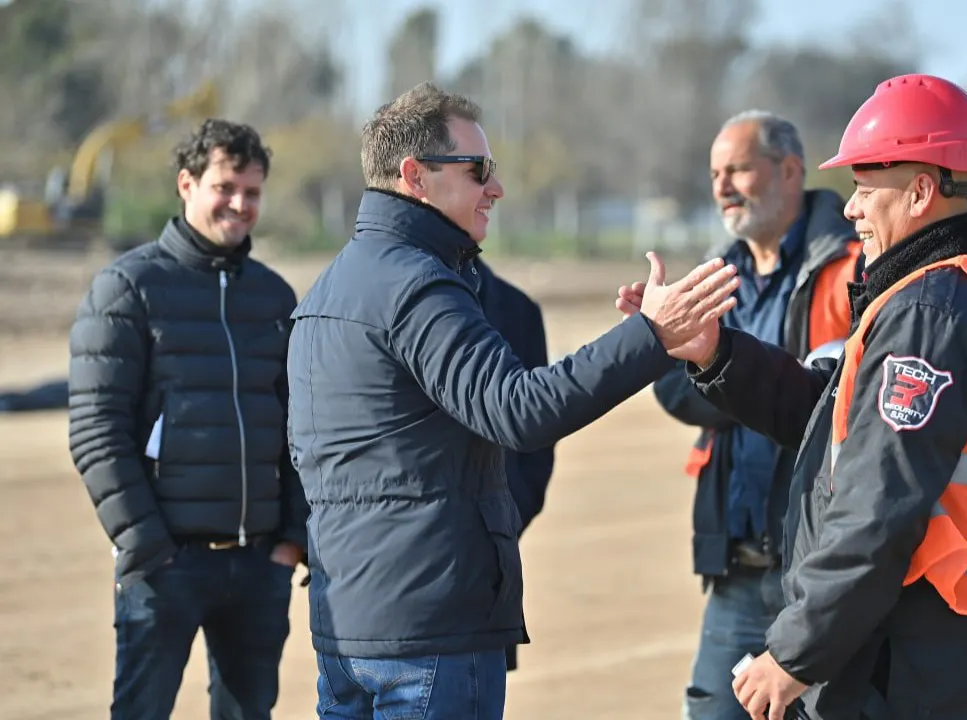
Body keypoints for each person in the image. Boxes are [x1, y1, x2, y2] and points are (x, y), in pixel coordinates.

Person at [285, 81, 741, 720]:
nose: (495, 188)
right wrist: (651, 336)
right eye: (477, 170)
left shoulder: (329, 289)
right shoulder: (417, 286)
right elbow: (519, 409)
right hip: (429, 632)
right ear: (415, 176)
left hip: (347, 630)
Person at [618, 74, 967, 720]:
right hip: (941, 651)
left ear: (921, 191)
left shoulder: (930, 315)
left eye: (866, 188)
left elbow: (878, 507)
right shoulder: (951, 289)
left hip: (918, 659)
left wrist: (794, 655)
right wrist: (716, 352)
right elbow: (829, 412)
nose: (851, 208)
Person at [67, 119, 307, 720]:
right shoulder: (126, 289)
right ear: (187, 184)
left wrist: (291, 540)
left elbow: (301, 430)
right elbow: (97, 432)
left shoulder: (276, 299)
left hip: (259, 566)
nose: (239, 204)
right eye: (225, 187)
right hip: (165, 566)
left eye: (252, 192)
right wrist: (148, 546)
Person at [652, 110, 860, 720]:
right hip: (739, 570)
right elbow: (676, 392)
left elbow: (841, 401)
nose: (722, 186)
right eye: (715, 173)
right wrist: (668, 345)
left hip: (823, 572)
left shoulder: (852, 266)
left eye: (738, 169)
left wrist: (736, 379)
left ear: (790, 170)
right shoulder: (717, 273)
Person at [472, 255, 558, 673]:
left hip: (492, 564)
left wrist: (502, 519)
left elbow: (537, 442)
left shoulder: (517, 309)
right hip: (398, 574)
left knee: (483, 693)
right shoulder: (390, 296)